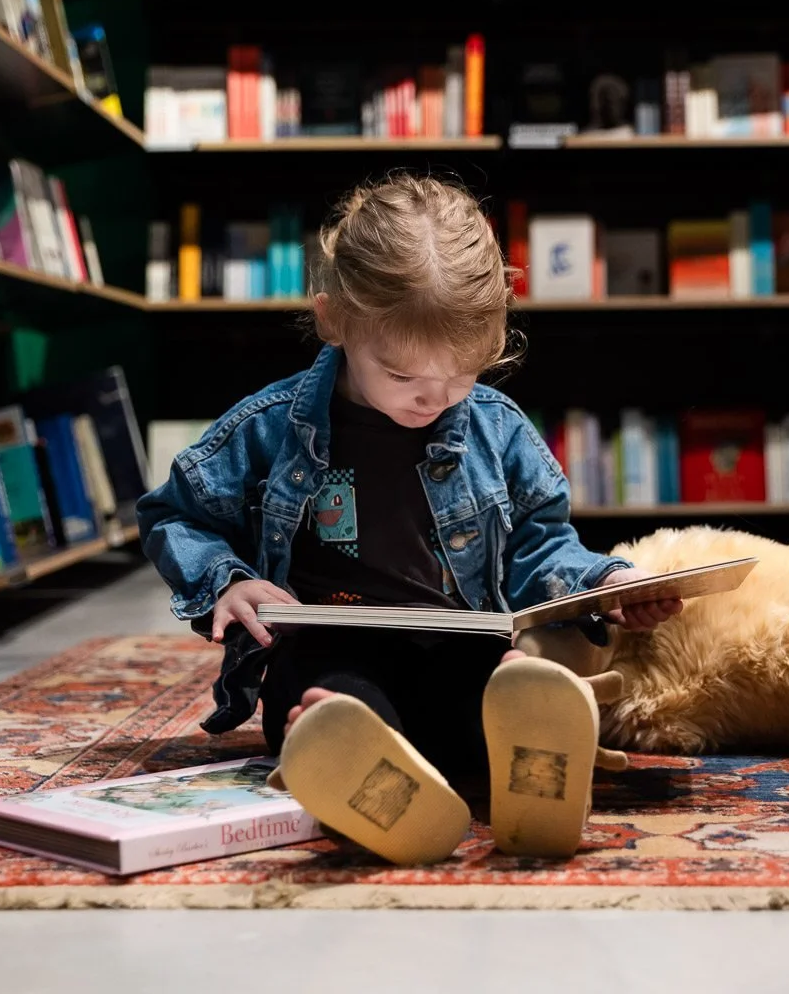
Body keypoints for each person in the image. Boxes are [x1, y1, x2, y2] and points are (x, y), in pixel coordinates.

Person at [137, 173, 682, 865]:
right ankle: (353, 762)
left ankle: (528, 765)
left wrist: (608, 583)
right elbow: (174, 516)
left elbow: (541, 547)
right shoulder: (269, 426)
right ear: (333, 321)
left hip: (458, 650)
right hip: (331, 651)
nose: (433, 398)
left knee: (499, 692)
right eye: (401, 377)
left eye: (460, 377)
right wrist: (226, 581)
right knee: (336, 706)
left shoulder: (498, 428)